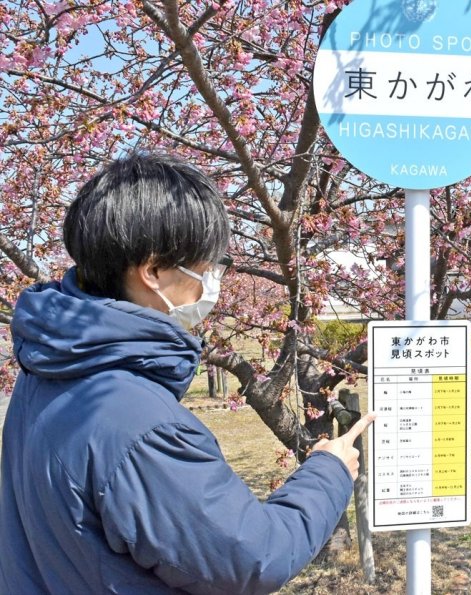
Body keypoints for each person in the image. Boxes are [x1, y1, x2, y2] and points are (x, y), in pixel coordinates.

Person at [0, 152, 374, 594]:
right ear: (153, 271)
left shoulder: (52, 365)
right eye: (204, 268)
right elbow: (253, 557)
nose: (211, 281)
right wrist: (328, 472)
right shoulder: (138, 424)